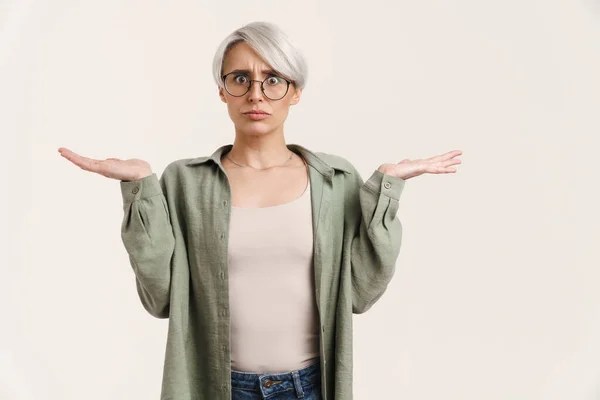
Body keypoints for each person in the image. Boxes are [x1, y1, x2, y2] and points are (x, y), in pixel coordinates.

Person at [58, 21, 462, 400]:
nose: (256, 94)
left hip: (310, 386)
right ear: (222, 90)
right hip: (219, 387)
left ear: (295, 90)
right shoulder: (184, 183)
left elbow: (359, 293)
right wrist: (140, 187)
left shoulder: (335, 180)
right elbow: (161, 299)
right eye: (240, 79)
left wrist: (387, 187)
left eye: (273, 80)